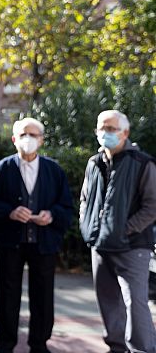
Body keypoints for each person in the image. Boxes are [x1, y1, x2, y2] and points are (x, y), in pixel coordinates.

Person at [0, 118, 73, 353]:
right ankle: (5, 343)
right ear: (14, 139)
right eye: (23, 134)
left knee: (43, 294)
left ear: (41, 140)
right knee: (7, 293)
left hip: (43, 244)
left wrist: (51, 215)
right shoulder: (3, 169)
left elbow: (66, 206)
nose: (28, 139)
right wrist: (10, 212)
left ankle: (39, 344)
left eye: (33, 135)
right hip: (11, 242)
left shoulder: (54, 170)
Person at [79, 110, 156, 353]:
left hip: (132, 246)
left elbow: (152, 206)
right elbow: (85, 199)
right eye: (101, 128)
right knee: (108, 301)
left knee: (136, 303)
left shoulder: (142, 163)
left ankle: (142, 349)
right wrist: (87, 225)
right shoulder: (94, 162)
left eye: (111, 129)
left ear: (125, 133)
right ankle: (116, 348)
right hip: (100, 244)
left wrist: (125, 230)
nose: (105, 133)